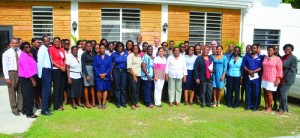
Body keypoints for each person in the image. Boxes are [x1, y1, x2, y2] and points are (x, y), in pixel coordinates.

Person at [2, 38, 22, 116]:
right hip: (11, 73)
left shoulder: (20, 52)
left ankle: (20, 107)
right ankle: (14, 109)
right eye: (13, 43)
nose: (15, 44)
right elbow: (5, 66)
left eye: (16, 43)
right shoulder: (6, 53)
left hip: (20, 73)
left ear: (18, 43)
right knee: (12, 92)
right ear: (10, 44)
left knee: (20, 91)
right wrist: (7, 78)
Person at [18, 42, 38, 118]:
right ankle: (29, 113)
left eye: (29, 47)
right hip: (27, 78)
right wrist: (32, 80)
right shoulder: (24, 57)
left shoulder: (27, 55)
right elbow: (27, 70)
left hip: (29, 77)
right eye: (26, 47)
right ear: (22, 49)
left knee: (26, 95)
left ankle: (25, 110)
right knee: (29, 96)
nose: (28, 48)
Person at [261, 45, 283, 113]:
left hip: (272, 78)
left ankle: (270, 107)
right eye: (268, 50)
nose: (269, 51)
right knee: (265, 92)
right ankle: (266, 105)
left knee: (269, 93)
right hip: (264, 77)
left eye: (271, 50)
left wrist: (278, 78)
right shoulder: (265, 57)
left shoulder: (277, 59)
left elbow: (280, 69)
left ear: (274, 51)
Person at [242, 44, 263, 111]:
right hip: (248, 76)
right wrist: (249, 71)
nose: (253, 49)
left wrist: (253, 71)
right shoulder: (247, 56)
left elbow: (261, 67)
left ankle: (255, 106)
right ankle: (248, 105)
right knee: (248, 91)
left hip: (256, 77)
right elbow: (243, 65)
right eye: (252, 48)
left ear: (257, 49)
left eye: (255, 48)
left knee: (256, 92)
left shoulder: (261, 57)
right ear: (251, 48)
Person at [278, 44, 298, 114]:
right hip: (281, 78)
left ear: (291, 50)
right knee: (282, 93)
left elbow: (292, 70)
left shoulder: (293, 58)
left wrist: (285, 79)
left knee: (283, 92)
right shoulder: (283, 57)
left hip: (287, 79)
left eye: (288, 49)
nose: (286, 50)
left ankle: (282, 108)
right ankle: (283, 107)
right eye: (285, 49)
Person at [49, 37, 66, 111]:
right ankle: (56, 106)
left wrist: (64, 66)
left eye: (58, 42)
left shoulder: (62, 49)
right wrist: (60, 67)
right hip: (56, 70)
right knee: (57, 88)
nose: (57, 43)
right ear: (53, 42)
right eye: (55, 42)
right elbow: (51, 60)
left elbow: (64, 59)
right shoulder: (51, 49)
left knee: (62, 88)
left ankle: (60, 104)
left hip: (62, 70)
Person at [37, 36, 52, 116]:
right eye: (46, 41)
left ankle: (46, 107)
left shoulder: (46, 49)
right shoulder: (41, 50)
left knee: (48, 90)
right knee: (46, 91)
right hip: (45, 71)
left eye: (48, 41)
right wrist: (40, 75)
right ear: (43, 42)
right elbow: (40, 63)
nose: (48, 42)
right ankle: (44, 110)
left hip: (48, 71)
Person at [94, 44, 112, 109]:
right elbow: (95, 66)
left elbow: (110, 66)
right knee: (99, 90)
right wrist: (100, 74)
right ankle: (99, 103)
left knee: (105, 89)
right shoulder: (96, 57)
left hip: (106, 76)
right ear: (99, 49)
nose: (102, 49)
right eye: (100, 48)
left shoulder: (109, 57)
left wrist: (105, 74)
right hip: (98, 77)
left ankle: (103, 103)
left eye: (103, 48)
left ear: (105, 49)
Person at [111, 42, 128, 108]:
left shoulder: (126, 53)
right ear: (116, 47)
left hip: (124, 72)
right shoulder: (113, 54)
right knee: (117, 87)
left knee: (123, 87)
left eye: (121, 46)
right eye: (118, 46)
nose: (119, 47)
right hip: (116, 72)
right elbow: (112, 64)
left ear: (123, 47)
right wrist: (111, 74)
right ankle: (118, 102)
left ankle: (123, 102)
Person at [127, 45, 142, 110]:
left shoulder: (139, 56)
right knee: (133, 88)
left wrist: (137, 75)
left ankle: (136, 102)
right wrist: (134, 75)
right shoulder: (130, 56)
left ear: (138, 49)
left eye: (137, 48)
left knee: (137, 89)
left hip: (138, 75)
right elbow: (129, 66)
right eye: (134, 48)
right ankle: (133, 104)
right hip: (132, 74)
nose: (135, 49)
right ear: (132, 49)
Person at [81, 41, 96, 108]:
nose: (88, 47)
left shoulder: (93, 53)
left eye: (90, 46)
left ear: (91, 46)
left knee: (92, 86)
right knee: (86, 87)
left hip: (93, 70)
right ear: (85, 46)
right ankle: (87, 102)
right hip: (87, 71)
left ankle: (93, 101)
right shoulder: (84, 54)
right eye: (87, 46)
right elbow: (83, 66)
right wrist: (86, 75)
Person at [30, 38, 42, 109]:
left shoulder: (39, 49)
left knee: (40, 87)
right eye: (37, 42)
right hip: (34, 71)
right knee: (36, 88)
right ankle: (37, 102)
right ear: (32, 43)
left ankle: (40, 100)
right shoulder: (31, 51)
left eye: (39, 42)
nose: (38, 44)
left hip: (40, 71)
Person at [272, 44, 281, 110]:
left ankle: (275, 104)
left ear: (278, 49)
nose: (275, 50)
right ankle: (270, 104)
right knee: (270, 92)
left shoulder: (280, 58)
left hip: (277, 78)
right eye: (274, 49)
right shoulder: (270, 57)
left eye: (276, 49)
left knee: (276, 92)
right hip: (270, 77)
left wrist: (278, 78)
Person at [63, 39, 70, 105]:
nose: (67, 45)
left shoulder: (71, 51)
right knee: (64, 85)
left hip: (71, 70)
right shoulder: (62, 51)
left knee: (70, 85)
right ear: (63, 44)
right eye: (66, 43)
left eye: (68, 44)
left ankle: (70, 97)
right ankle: (65, 98)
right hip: (64, 70)